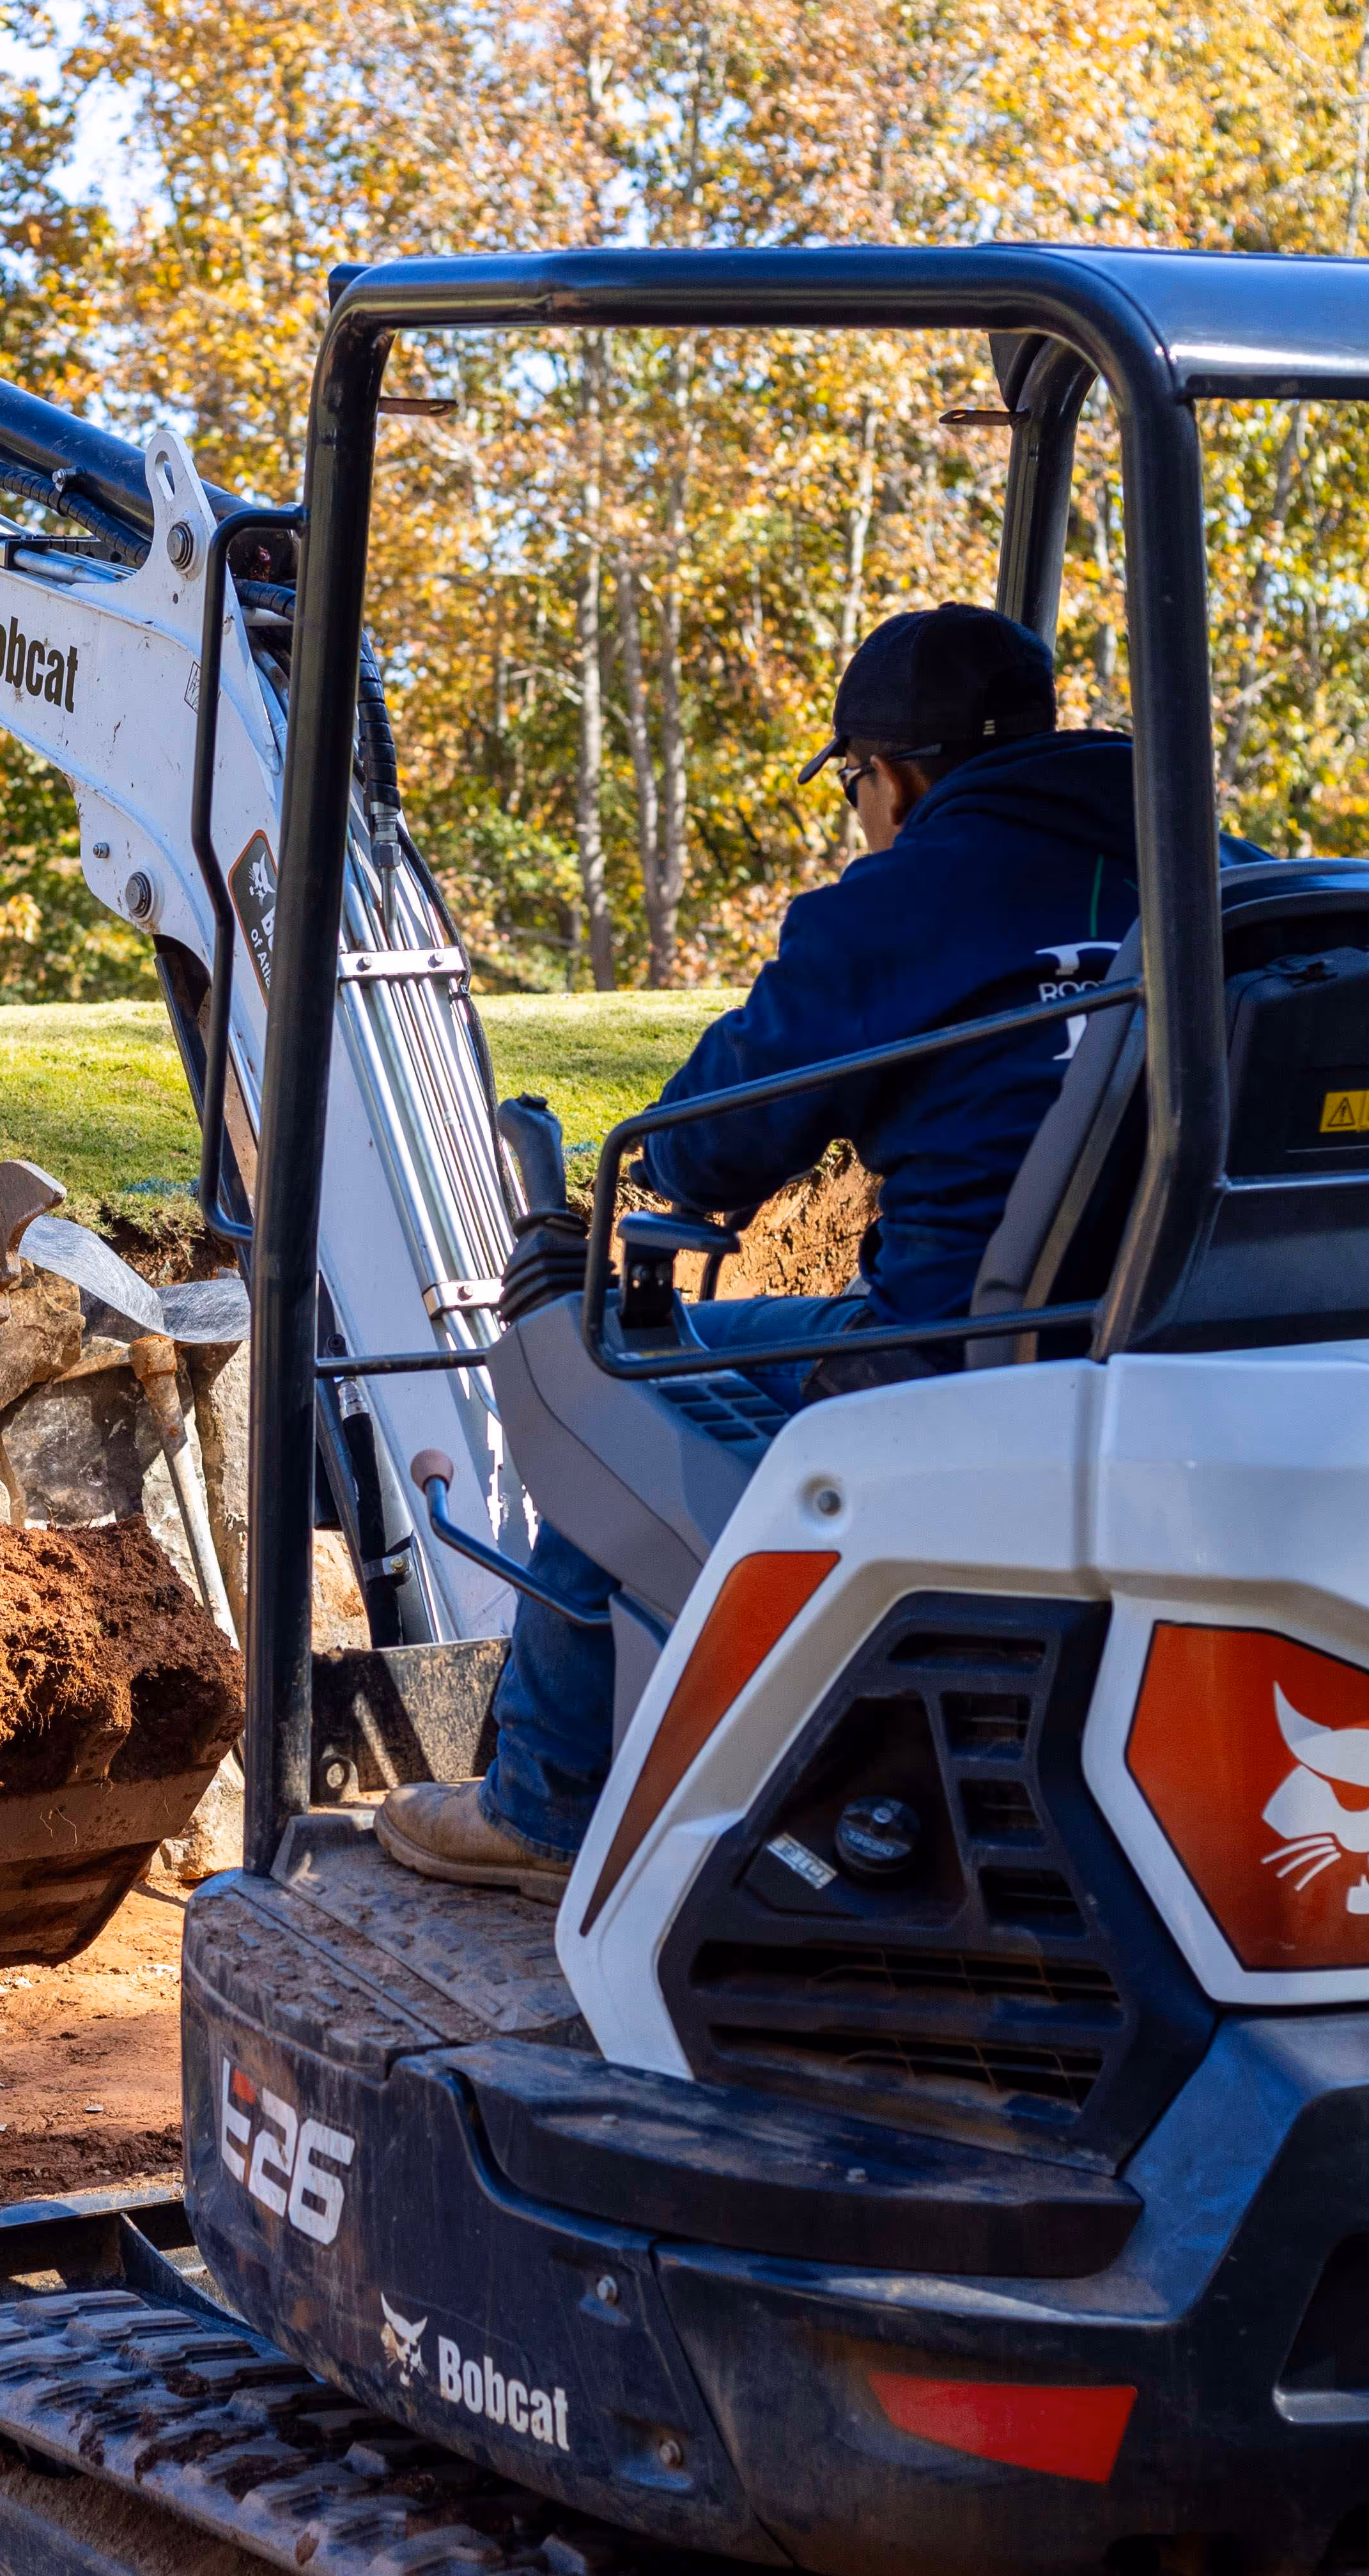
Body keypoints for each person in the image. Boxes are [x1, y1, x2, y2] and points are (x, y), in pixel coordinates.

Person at [376, 601, 1150, 1901]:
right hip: (1154, 1350)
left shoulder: (904, 903)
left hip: (949, 1366)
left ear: (893, 774)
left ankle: (545, 1804)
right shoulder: (1205, 870)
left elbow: (717, 1139)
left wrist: (634, 1198)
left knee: (607, 1369)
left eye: (856, 782)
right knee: (722, 1341)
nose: (861, 810)